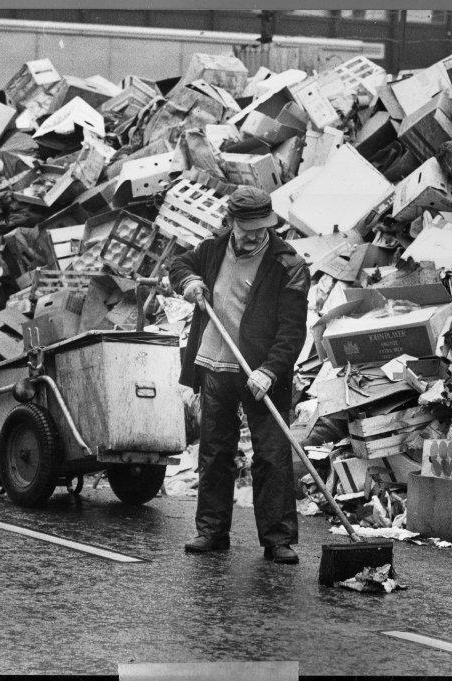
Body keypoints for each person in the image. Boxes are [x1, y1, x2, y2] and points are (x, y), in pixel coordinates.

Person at [169, 185, 310, 564]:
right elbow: (178, 264)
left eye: (261, 227)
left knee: (271, 454)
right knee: (215, 451)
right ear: (231, 222)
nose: (254, 235)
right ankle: (211, 532)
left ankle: (278, 540)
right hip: (216, 365)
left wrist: (270, 370)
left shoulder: (288, 265)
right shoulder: (213, 250)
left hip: (262, 373)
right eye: (246, 228)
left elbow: (293, 331)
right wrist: (189, 282)